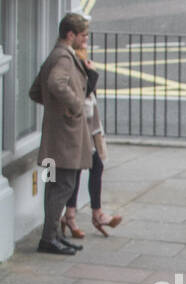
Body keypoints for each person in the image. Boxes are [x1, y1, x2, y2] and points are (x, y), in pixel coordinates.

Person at [29, 12, 94, 256]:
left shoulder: (55, 55)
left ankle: (53, 235)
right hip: (65, 138)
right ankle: (49, 238)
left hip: (54, 136)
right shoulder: (64, 58)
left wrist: (55, 108)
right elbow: (56, 84)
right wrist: (74, 106)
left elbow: (36, 91)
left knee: (54, 185)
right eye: (83, 35)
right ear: (71, 35)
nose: (85, 40)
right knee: (63, 185)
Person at [64, 43, 123, 239]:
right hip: (78, 128)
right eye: (83, 42)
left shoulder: (80, 65)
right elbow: (82, 98)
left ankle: (74, 214)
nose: (86, 46)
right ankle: (85, 215)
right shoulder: (73, 67)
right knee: (86, 167)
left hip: (88, 128)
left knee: (88, 167)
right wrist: (92, 74)